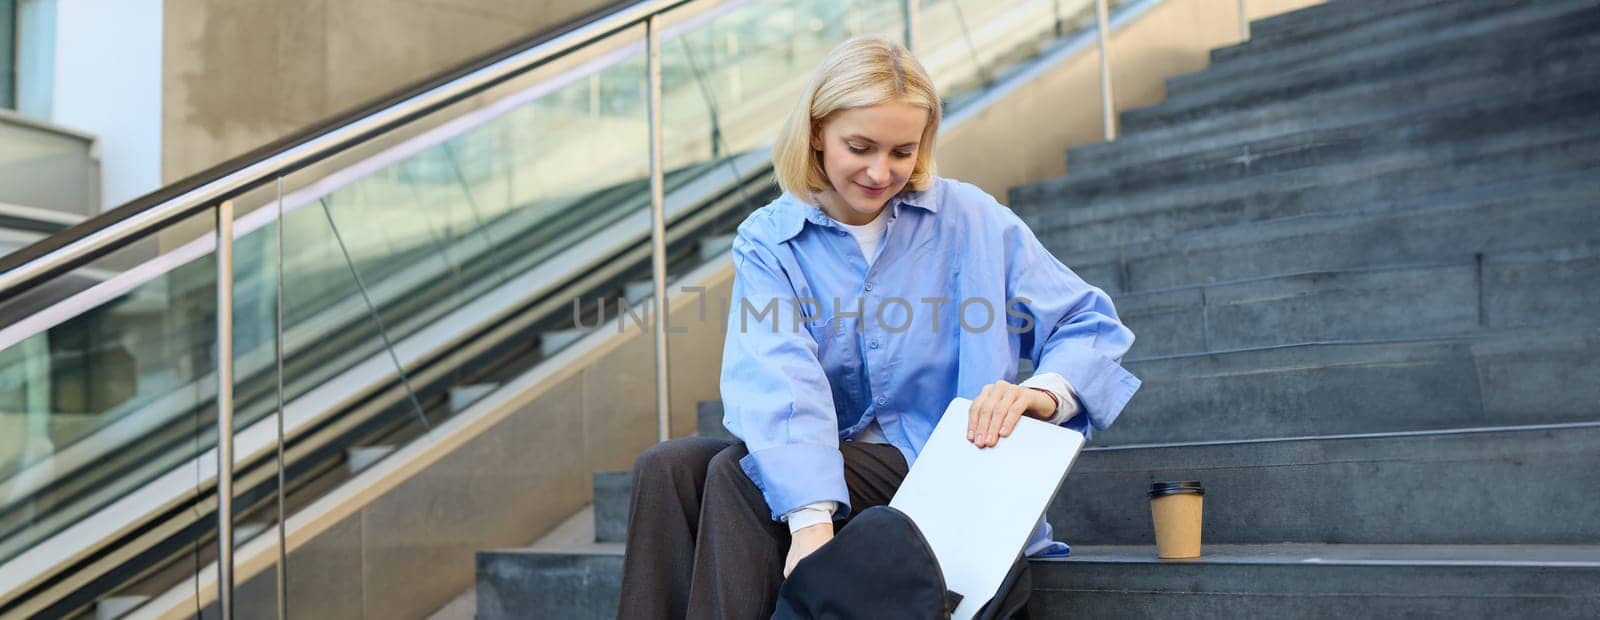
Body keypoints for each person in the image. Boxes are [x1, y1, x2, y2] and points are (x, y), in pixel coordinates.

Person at [617, 33, 1140, 619]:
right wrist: (810, 521)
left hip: (943, 459)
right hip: (825, 458)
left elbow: (1086, 321)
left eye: (902, 151)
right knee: (666, 468)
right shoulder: (770, 239)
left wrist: (1039, 395)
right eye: (860, 146)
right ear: (816, 131)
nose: (880, 171)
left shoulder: (971, 219)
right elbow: (777, 376)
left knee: (737, 475)